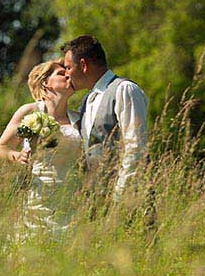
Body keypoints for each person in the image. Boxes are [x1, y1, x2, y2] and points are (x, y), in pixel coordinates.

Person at [0, 59, 81, 236]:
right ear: (45, 82)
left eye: (68, 71)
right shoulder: (30, 111)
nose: (68, 75)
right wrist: (16, 156)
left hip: (70, 198)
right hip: (39, 194)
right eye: (61, 73)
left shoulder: (79, 118)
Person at [61, 35, 148, 198]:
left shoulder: (124, 89)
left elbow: (136, 146)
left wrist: (120, 194)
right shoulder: (87, 100)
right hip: (98, 198)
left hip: (127, 197)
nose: (66, 75)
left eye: (68, 68)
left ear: (83, 65)